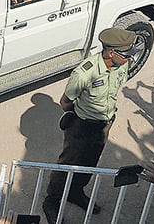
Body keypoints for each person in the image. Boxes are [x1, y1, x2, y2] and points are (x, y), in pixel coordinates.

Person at [42, 27, 137, 224]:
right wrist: (81, 115)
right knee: (67, 164)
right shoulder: (86, 72)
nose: (129, 59)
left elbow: (117, 86)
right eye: (126, 55)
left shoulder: (121, 66)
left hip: (104, 124)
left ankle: (76, 192)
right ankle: (52, 201)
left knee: (90, 162)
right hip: (81, 126)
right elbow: (65, 102)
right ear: (111, 52)